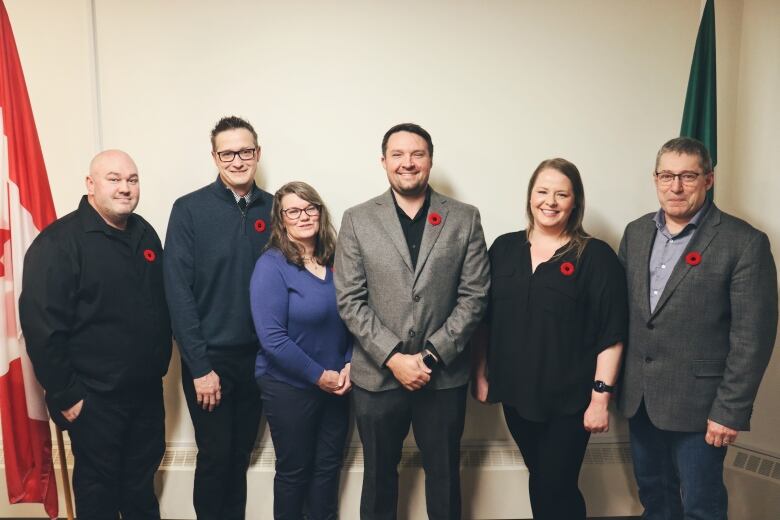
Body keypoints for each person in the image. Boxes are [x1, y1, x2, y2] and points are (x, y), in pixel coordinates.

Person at [334, 123, 490, 520]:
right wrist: (394, 358)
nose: (408, 163)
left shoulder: (464, 218)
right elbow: (350, 301)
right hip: (377, 375)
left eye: (417, 154)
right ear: (383, 161)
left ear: (430, 160)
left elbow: (474, 297)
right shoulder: (356, 219)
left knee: (444, 478)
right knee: (379, 478)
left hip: (442, 377)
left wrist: (430, 357)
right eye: (398, 155)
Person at [618, 137, 778, 519]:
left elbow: (752, 337)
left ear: (709, 179)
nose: (676, 186)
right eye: (667, 175)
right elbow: (624, 316)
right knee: (655, 497)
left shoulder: (744, 243)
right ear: (655, 179)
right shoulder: (636, 232)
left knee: (702, 505)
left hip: (702, 407)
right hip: (640, 398)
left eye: (688, 176)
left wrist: (730, 410)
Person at [19, 150, 172, 519]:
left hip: (146, 394)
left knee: (140, 489)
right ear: (90, 184)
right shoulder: (58, 244)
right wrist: (67, 393)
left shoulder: (145, 232)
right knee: (98, 495)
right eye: (114, 179)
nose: (125, 188)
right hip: (94, 399)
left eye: (132, 180)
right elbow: (41, 327)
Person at [472, 158, 627, 519]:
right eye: (542, 191)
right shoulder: (503, 248)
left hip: (571, 401)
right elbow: (483, 320)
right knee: (543, 478)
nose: (550, 201)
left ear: (576, 202)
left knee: (555, 482)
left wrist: (600, 398)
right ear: (530, 197)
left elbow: (612, 332)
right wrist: (479, 374)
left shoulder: (595, 256)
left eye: (561, 194)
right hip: (515, 395)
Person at [163, 116, 273, 519]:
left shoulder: (277, 208)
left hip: (260, 360)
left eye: (246, 151)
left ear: (258, 154)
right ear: (214, 157)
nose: (238, 160)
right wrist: (200, 366)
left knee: (239, 455)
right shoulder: (189, 209)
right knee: (215, 456)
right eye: (228, 152)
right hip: (210, 361)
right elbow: (178, 293)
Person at [250, 181, 352, 520]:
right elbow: (272, 339)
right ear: (281, 219)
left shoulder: (337, 260)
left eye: (311, 208)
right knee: (295, 472)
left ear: (320, 213)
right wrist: (318, 375)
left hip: (338, 385)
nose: (304, 216)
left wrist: (351, 364)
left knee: (327, 469)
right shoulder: (272, 266)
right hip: (289, 387)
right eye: (293, 210)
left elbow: (356, 316)